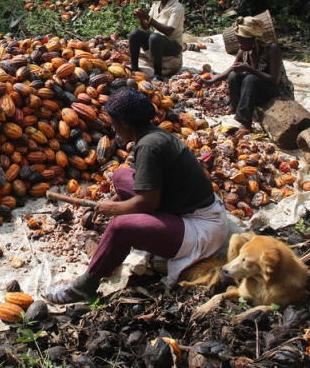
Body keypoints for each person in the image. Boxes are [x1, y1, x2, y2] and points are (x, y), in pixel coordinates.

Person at [45, 89, 230, 304]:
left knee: (120, 227)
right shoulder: (153, 135)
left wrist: (111, 209)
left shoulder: (150, 146)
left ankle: (85, 286)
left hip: (201, 227)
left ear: (123, 123)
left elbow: (147, 202)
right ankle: (130, 233)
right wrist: (116, 201)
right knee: (121, 175)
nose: (113, 128)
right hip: (179, 206)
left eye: (113, 123)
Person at [203, 16, 293, 131]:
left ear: (253, 39)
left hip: (275, 90)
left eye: (241, 39)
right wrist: (214, 79)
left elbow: (274, 80)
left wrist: (250, 69)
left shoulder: (272, 49)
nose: (238, 43)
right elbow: (233, 68)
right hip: (257, 88)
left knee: (250, 78)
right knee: (234, 75)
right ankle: (236, 110)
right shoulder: (244, 49)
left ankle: (245, 122)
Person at [129, 0, 185, 80]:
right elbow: (146, 27)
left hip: (172, 45)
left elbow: (168, 31)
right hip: (156, 41)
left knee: (155, 37)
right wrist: (141, 17)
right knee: (135, 33)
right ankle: (134, 68)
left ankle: (157, 75)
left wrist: (147, 17)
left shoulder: (177, 8)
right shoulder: (156, 4)